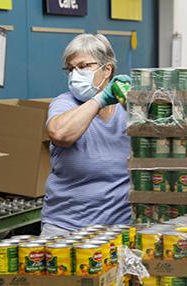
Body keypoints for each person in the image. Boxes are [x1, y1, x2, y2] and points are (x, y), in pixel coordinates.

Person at [41, 34, 132, 236]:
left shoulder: (126, 111)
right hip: (66, 229)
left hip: (119, 230)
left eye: (83, 66)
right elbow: (60, 133)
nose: (75, 74)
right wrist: (101, 99)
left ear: (107, 69)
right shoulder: (64, 103)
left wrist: (138, 105)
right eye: (70, 69)